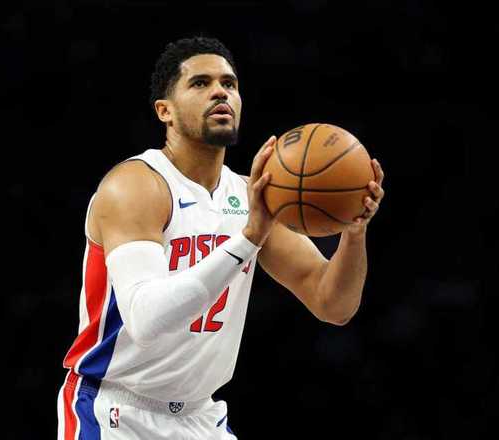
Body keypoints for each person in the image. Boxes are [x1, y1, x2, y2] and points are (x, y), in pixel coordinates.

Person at [57, 36, 385, 440]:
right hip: (115, 411)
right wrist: (248, 239)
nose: (220, 92)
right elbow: (145, 320)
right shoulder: (136, 186)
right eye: (200, 83)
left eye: (229, 83)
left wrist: (354, 231)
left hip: (201, 416)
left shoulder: (250, 197)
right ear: (165, 111)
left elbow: (333, 304)